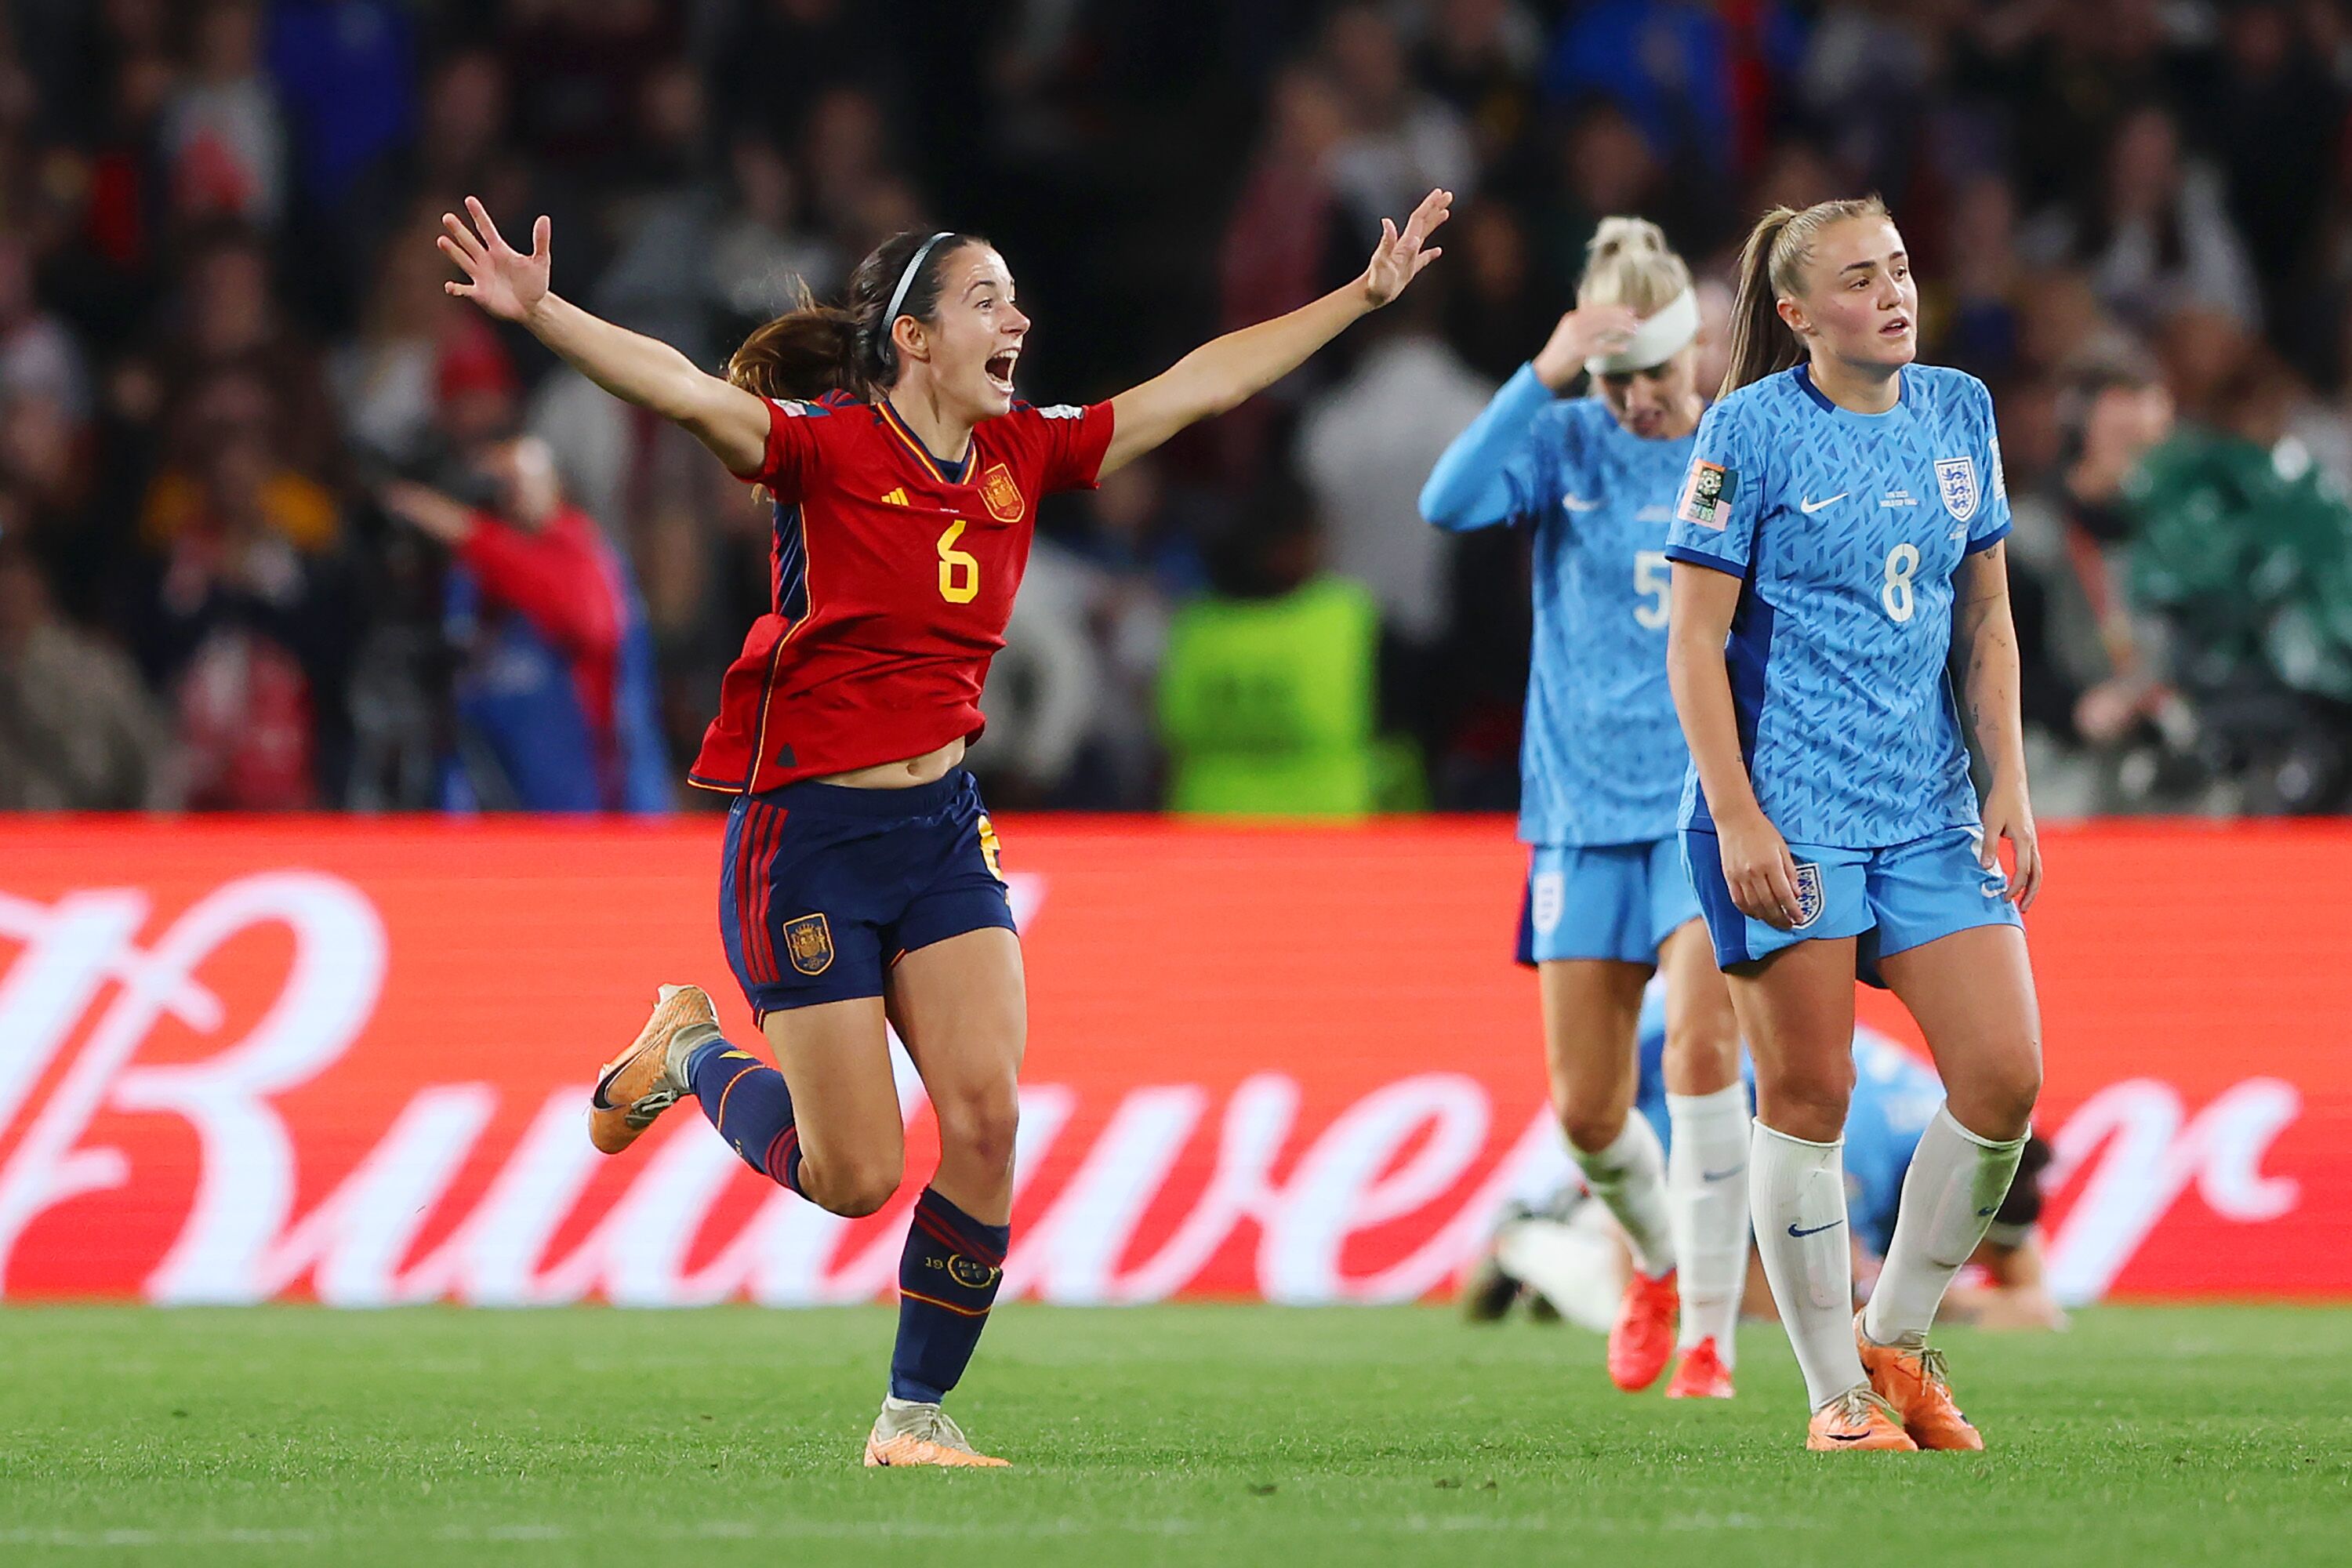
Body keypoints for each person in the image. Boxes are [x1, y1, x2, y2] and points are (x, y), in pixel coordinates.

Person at [435, 188, 1451, 1466]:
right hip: (805, 835)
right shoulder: (824, 449)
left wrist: (1359, 299)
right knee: (853, 1175)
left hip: (940, 827)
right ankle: (688, 1048)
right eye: (986, 300)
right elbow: (683, 391)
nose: (1017, 320)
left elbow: (1200, 385)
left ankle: (912, 1418)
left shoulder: (1025, 452)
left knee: (986, 1120)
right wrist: (545, 316)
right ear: (912, 338)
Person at [1664, 195, 2044, 1452]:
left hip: (1929, 811)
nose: (1896, 294)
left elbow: (1985, 617)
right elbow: (1696, 640)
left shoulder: (1959, 411)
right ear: (1796, 315)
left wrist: (2009, 783)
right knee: (1811, 1095)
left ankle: (1897, 1329)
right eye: (1860, 279)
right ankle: (1835, 1396)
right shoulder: (1750, 431)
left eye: (1901, 269)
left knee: (2002, 1081)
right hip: (1791, 812)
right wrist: (1737, 818)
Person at [1417, 218, 1745, 1399]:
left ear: (1699, 352)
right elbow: (1448, 503)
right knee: (1591, 1111)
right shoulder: (1566, 441)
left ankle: (1709, 1333)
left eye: (1655, 375)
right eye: (1615, 379)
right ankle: (1656, 1266)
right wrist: (1545, 374)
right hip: (1575, 810)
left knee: (1707, 1053)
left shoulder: (1738, 450)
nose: (1638, 402)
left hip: (1701, 805)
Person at [1462, 989, 2065, 1338]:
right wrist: (1958, 1309)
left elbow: (2029, 1289)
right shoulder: (1866, 1158)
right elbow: (1800, 1298)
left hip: (1730, 1056)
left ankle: (1573, 1239)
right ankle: (1533, 1243)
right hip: (1700, 1076)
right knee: (1685, 1306)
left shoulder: (1953, 1144)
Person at [377, 436, 669, 815]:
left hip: (585, 787)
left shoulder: (578, 550)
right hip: (499, 782)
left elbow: (584, 619)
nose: (511, 494)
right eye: (501, 484)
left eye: (521, 480)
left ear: (556, 487)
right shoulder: (472, 579)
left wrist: (447, 521)